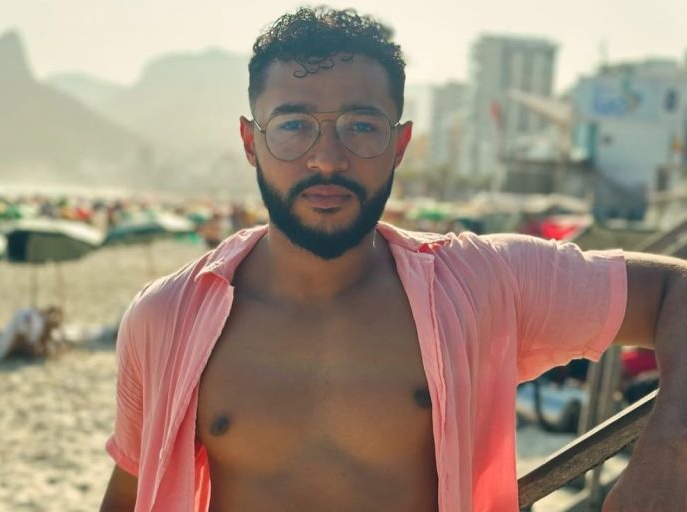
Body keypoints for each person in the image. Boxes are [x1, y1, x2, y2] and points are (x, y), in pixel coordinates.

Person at [100, 7, 687, 512]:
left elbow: (676, 292)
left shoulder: (484, 282)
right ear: (251, 142)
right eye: (294, 125)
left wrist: (668, 452)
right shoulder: (168, 317)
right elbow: (130, 491)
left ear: (400, 145)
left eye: (361, 126)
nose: (327, 159)